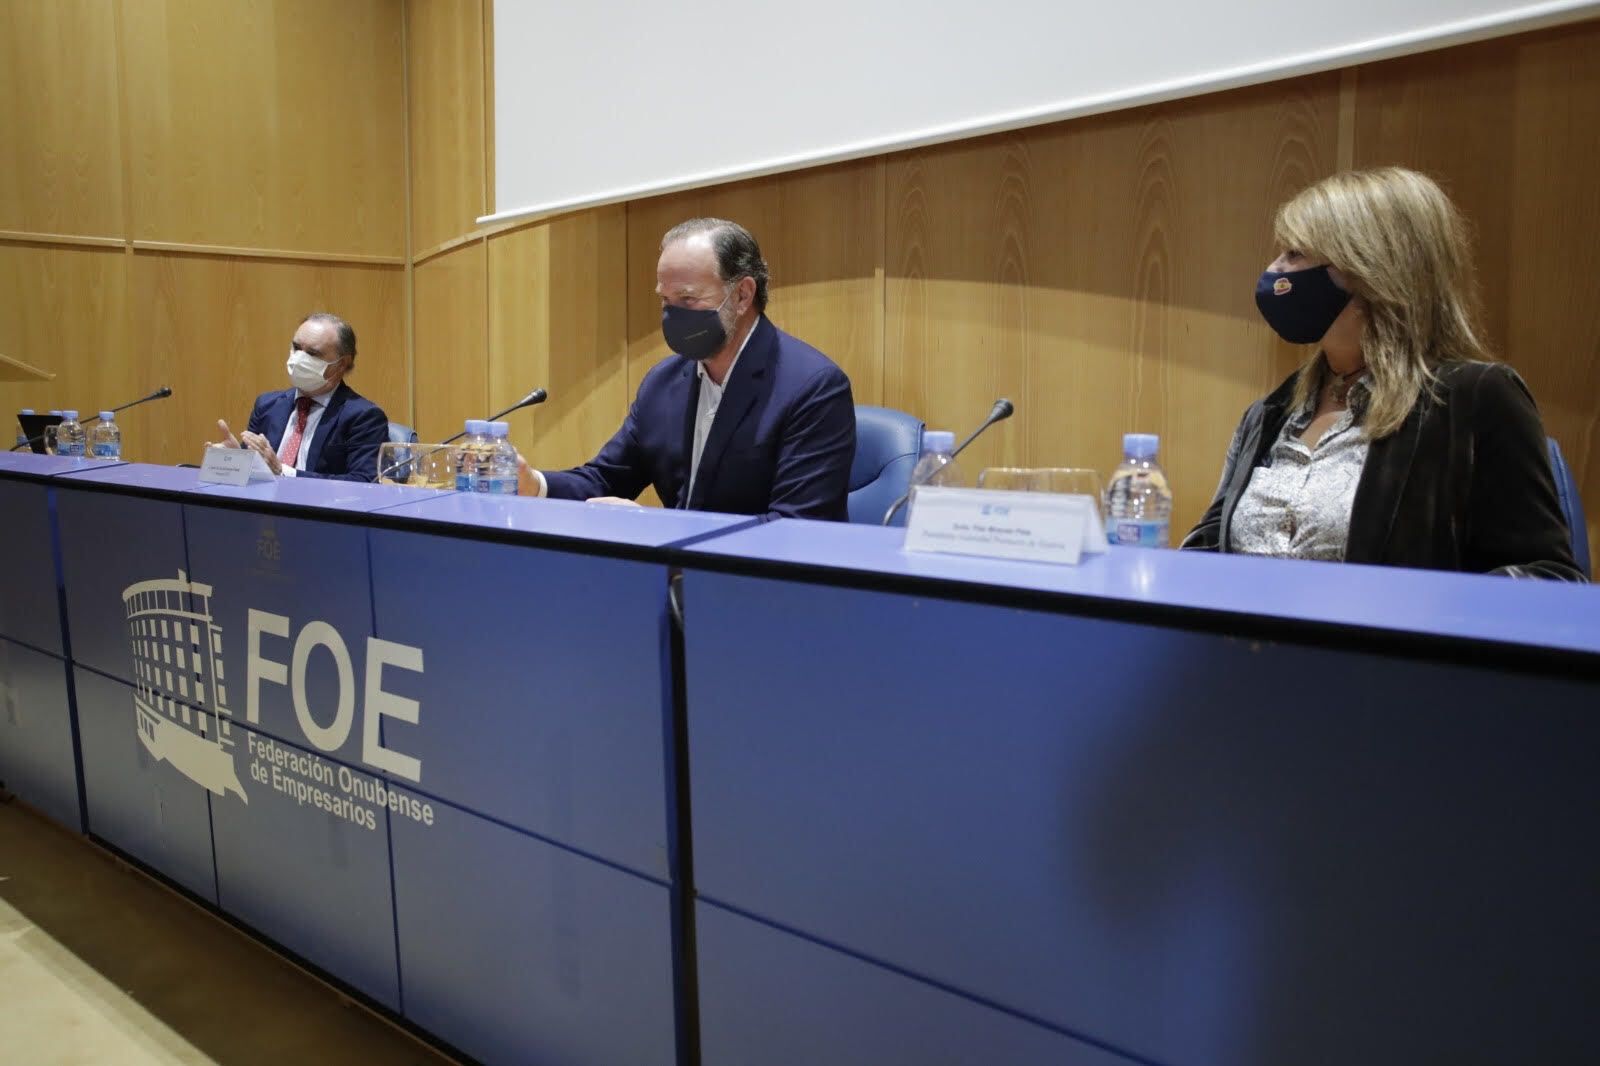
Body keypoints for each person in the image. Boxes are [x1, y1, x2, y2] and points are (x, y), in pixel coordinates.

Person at [1182, 167, 1583, 581]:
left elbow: (1549, 577)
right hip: (1246, 645)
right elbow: (1207, 550)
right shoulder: (1270, 414)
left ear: (1370, 267)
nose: (1274, 270)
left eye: (1296, 253)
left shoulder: (1475, 399)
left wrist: (1419, 620)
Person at [518, 218, 856, 520]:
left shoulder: (813, 387)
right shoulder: (662, 383)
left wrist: (661, 530)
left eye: (688, 299)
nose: (672, 315)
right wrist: (534, 484)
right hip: (680, 582)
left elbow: (795, 527)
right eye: (665, 300)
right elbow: (605, 478)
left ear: (742, 295)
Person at [211, 312, 389, 482]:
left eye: (312, 353)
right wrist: (235, 461)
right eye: (296, 348)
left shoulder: (364, 416)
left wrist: (283, 472)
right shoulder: (267, 405)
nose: (298, 358)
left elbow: (363, 482)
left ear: (342, 364)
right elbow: (257, 468)